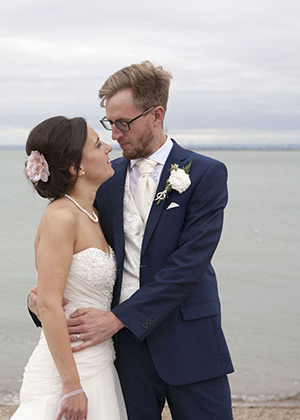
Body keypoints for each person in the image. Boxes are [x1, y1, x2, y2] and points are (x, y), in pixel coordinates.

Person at [28, 61, 234, 420]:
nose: (115, 135)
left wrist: (119, 318)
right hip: (124, 355)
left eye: (124, 123)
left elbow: (188, 267)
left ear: (156, 115)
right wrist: (43, 300)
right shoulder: (104, 178)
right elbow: (77, 246)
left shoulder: (205, 174)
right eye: (109, 123)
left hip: (191, 344)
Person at [11, 116, 128, 420]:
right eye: (98, 144)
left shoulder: (92, 214)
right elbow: (49, 303)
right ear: (77, 167)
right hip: (68, 374)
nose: (108, 147)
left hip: (100, 363)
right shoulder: (61, 216)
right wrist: (72, 386)